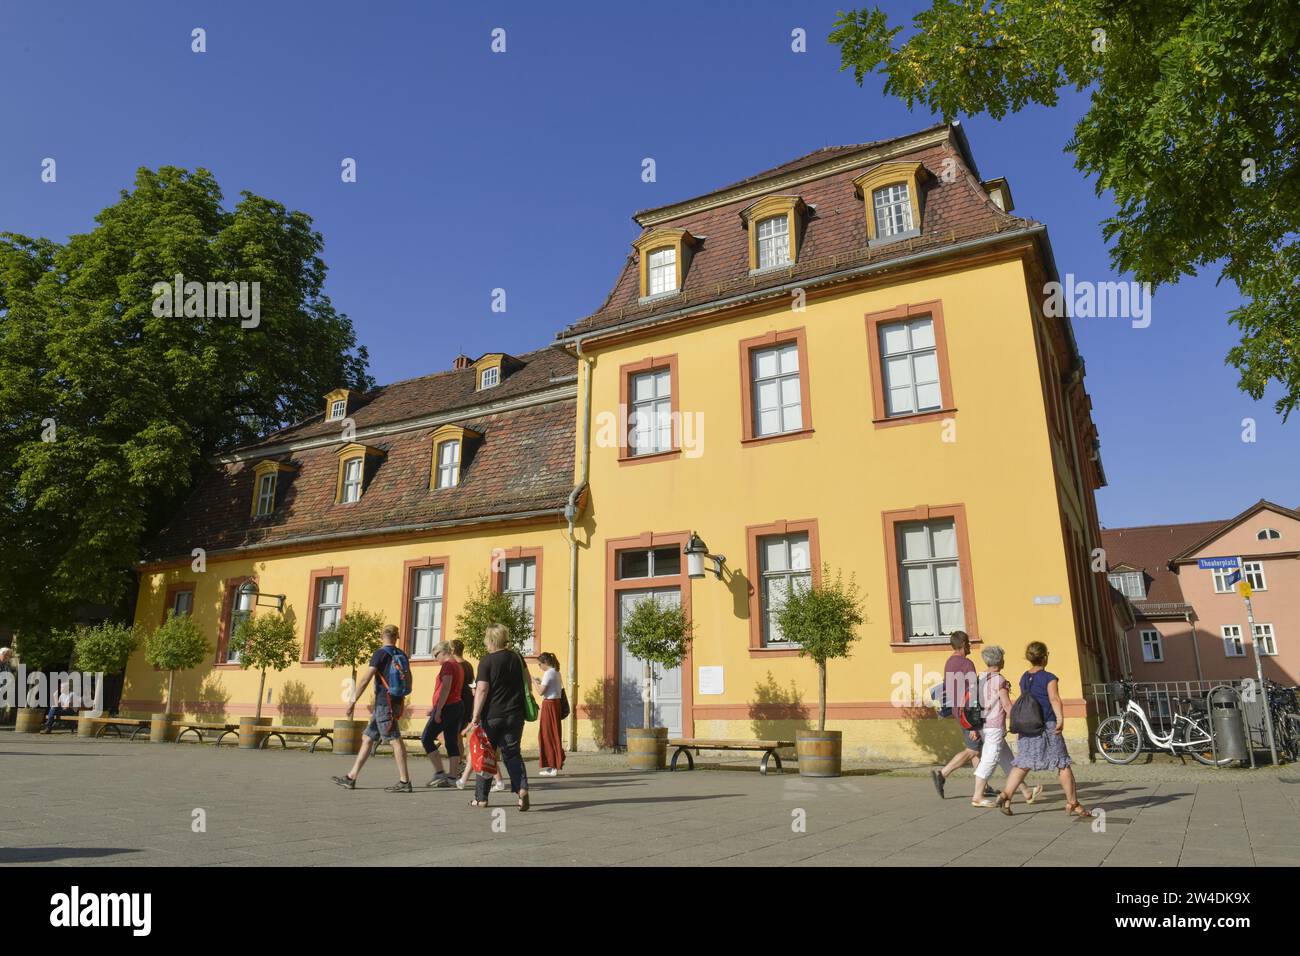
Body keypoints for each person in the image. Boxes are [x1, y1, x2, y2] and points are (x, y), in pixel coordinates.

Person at [995, 641, 1091, 818]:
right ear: (1045, 657)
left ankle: (1005, 795)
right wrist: (1060, 719)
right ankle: (1073, 803)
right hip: (1046, 724)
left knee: (1023, 762)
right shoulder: (1049, 678)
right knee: (1062, 764)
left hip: (1028, 726)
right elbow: (1054, 699)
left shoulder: (1024, 677)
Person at [332, 624, 412, 792]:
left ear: (381, 636)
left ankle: (404, 782)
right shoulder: (401, 654)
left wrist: (352, 701)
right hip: (395, 701)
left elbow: (364, 680)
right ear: (396, 637)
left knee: (395, 740)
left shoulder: (380, 654)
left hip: (384, 703)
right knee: (368, 738)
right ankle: (351, 777)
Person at [466, 624, 530, 810]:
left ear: (490, 640)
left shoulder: (487, 661)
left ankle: (481, 798)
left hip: (492, 716)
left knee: (486, 754)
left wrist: (475, 716)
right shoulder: (518, 658)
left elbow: (482, 689)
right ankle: (522, 790)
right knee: (512, 754)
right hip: (515, 714)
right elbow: (527, 683)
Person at [969, 646, 1042, 808]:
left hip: (982, 724)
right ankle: (977, 796)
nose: (1004, 660)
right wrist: (1020, 722)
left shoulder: (979, 678)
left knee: (1008, 760)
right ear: (999, 661)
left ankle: (1026, 791)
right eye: (1003, 657)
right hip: (994, 725)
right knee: (989, 759)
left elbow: (973, 704)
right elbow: (1007, 705)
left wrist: (973, 728)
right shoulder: (999, 680)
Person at [930, 631, 981, 798]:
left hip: (957, 710)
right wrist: (975, 722)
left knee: (976, 749)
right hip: (968, 712)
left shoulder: (949, 662)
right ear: (963, 644)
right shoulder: (966, 663)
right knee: (972, 750)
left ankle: (984, 785)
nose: (970, 646)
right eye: (968, 643)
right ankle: (943, 774)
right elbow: (974, 692)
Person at [453, 640, 504, 793]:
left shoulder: (481, 699)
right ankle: (463, 780)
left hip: (482, 726)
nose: (473, 691)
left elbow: (477, 718)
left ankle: (466, 781)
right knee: (478, 755)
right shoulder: (469, 666)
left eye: (474, 689)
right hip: (482, 723)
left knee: (481, 754)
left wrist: (468, 727)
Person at [420, 641, 463, 787]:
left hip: (447, 707)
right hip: (456, 706)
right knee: (451, 741)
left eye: (436, 655)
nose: (435, 658)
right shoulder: (458, 665)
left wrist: (438, 709)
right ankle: (452, 777)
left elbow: (445, 687)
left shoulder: (448, 665)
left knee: (426, 738)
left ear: (444, 652)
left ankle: (439, 772)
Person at [534, 652, 565, 776]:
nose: (539, 667)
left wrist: (534, 682)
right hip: (556, 704)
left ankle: (553, 766)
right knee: (553, 733)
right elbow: (551, 687)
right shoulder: (556, 672)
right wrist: (541, 681)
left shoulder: (548, 673)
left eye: (540, 664)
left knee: (547, 734)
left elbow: (541, 692)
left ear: (545, 663)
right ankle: (553, 764)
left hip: (549, 704)